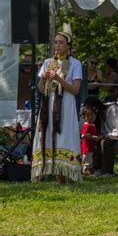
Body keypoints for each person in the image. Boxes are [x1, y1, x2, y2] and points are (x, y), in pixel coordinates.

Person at [32, 31, 83, 183]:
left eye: (61, 42)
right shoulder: (48, 62)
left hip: (66, 107)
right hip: (48, 106)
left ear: (68, 46)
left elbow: (75, 90)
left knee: (65, 137)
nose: (58, 45)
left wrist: (60, 79)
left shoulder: (75, 63)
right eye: (56, 42)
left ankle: (69, 175)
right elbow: (42, 89)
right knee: (48, 135)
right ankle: (54, 174)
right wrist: (43, 78)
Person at [80, 107, 99, 175]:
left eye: (92, 115)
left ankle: (88, 171)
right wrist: (92, 137)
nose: (90, 117)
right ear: (84, 117)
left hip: (91, 146)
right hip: (86, 147)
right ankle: (85, 171)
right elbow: (83, 135)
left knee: (90, 159)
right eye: (88, 116)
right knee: (87, 159)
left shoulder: (92, 125)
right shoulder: (87, 125)